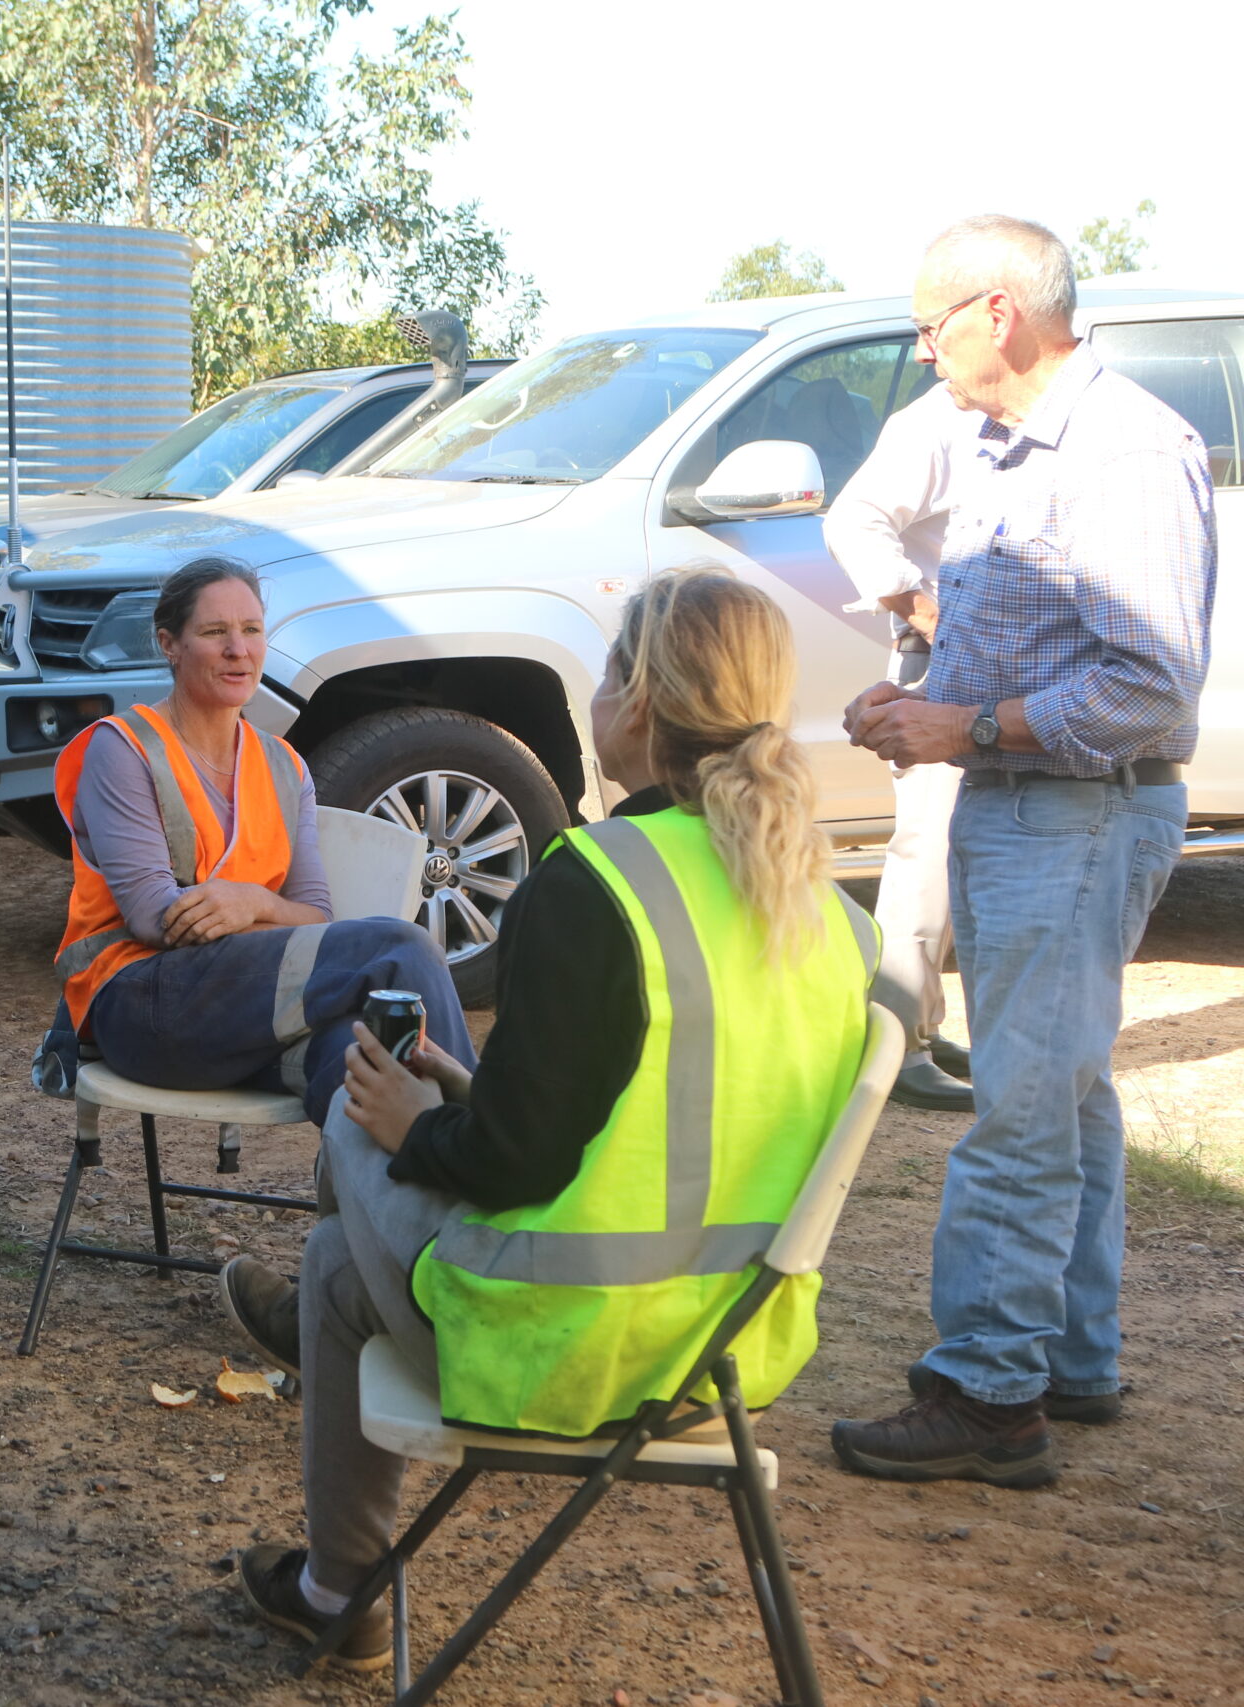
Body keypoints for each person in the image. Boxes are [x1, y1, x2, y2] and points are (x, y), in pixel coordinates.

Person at [219, 570, 875, 1670]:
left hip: (567, 1345)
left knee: (347, 1143)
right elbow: (662, 1108)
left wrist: (411, 1126)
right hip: (723, 1353)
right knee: (360, 1213)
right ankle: (330, 1551)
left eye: (611, 671)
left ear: (643, 704)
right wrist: (462, 1097)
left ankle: (338, 1582)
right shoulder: (825, 905)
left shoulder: (598, 879)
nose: (597, 696)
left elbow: (514, 1165)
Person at [834, 216, 1215, 1485]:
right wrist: (922, 709)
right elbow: (1025, 649)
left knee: (1019, 1109)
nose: (922, 351)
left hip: (1078, 812)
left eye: (928, 324)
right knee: (1064, 1090)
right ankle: (1069, 1355)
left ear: (995, 313)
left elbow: (1151, 688)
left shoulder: (1121, 451)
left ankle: (989, 1391)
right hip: (1026, 802)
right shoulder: (1002, 446)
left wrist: (972, 722)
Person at [46, 558, 473, 1151]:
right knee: (400, 946)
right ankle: (482, 1145)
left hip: (247, 1016)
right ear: (170, 644)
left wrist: (251, 903)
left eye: (251, 630)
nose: (238, 651)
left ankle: (399, 1223)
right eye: (215, 632)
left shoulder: (285, 766)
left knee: (362, 1065)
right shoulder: (123, 749)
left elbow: (316, 914)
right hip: (143, 1005)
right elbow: (152, 916)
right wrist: (268, 912)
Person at [825, 385, 981, 1112]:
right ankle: (893, 1042)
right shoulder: (935, 420)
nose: (927, 350)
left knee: (951, 853)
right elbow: (853, 520)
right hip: (941, 662)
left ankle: (917, 1025)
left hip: (968, 663)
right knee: (929, 851)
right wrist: (923, 607)